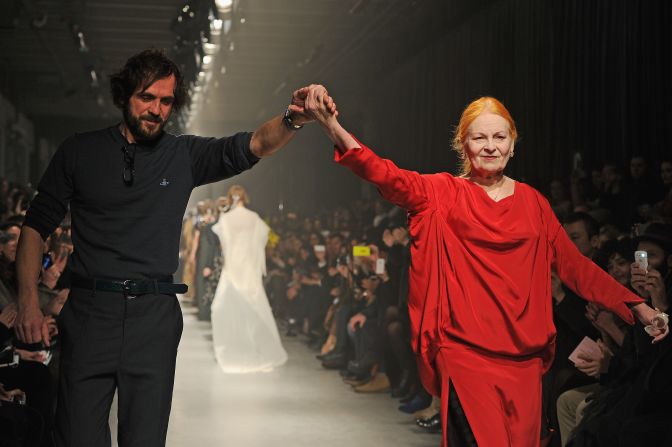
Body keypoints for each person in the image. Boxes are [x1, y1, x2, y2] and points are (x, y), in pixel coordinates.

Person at [303, 94, 668, 446]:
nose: (490, 146)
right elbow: (384, 174)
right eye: (479, 137)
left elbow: (576, 268)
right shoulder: (442, 193)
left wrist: (639, 308)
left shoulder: (533, 203)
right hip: (465, 352)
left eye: (499, 136)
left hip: (524, 360)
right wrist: (331, 124)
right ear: (464, 145)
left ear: (513, 144)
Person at [13, 49, 334, 447]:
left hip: (154, 317)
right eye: (147, 98)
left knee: (145, 439)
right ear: (124, 96)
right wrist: (28, 300)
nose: (156, 110)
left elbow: (253, 145)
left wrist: (291, 118)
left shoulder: (183, 154)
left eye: (166, 101)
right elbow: (34, 226)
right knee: (76, 437)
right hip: (91, 313)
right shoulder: (79, 150)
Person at [210, 185, 288, 372]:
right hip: (248, 267)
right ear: (245, 197)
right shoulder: (254, 219)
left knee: (224, 306)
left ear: (231, 198)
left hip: (233, 265)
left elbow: (223, 245)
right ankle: (254, 347)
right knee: (253, 306)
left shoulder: (226, 219)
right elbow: (262, 241)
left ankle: (234, 346)